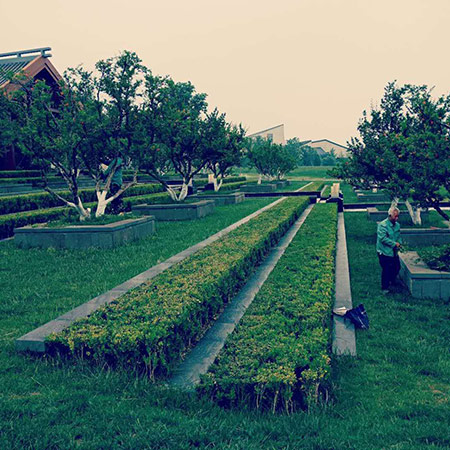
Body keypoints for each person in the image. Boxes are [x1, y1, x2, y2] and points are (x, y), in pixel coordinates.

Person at [376, 206, 401, 293]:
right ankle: (385, 287)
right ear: (390, 216)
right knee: (386, 269)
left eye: (397, 216)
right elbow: (382, 238)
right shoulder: (382, 225)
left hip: (393, 251)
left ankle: (392, 280)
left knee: (397, 267)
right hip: (384, 251)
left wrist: (399, 243)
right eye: (395, 216)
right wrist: (394, 244)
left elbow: (398, 236)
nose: (396, 218)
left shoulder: (397, 225)